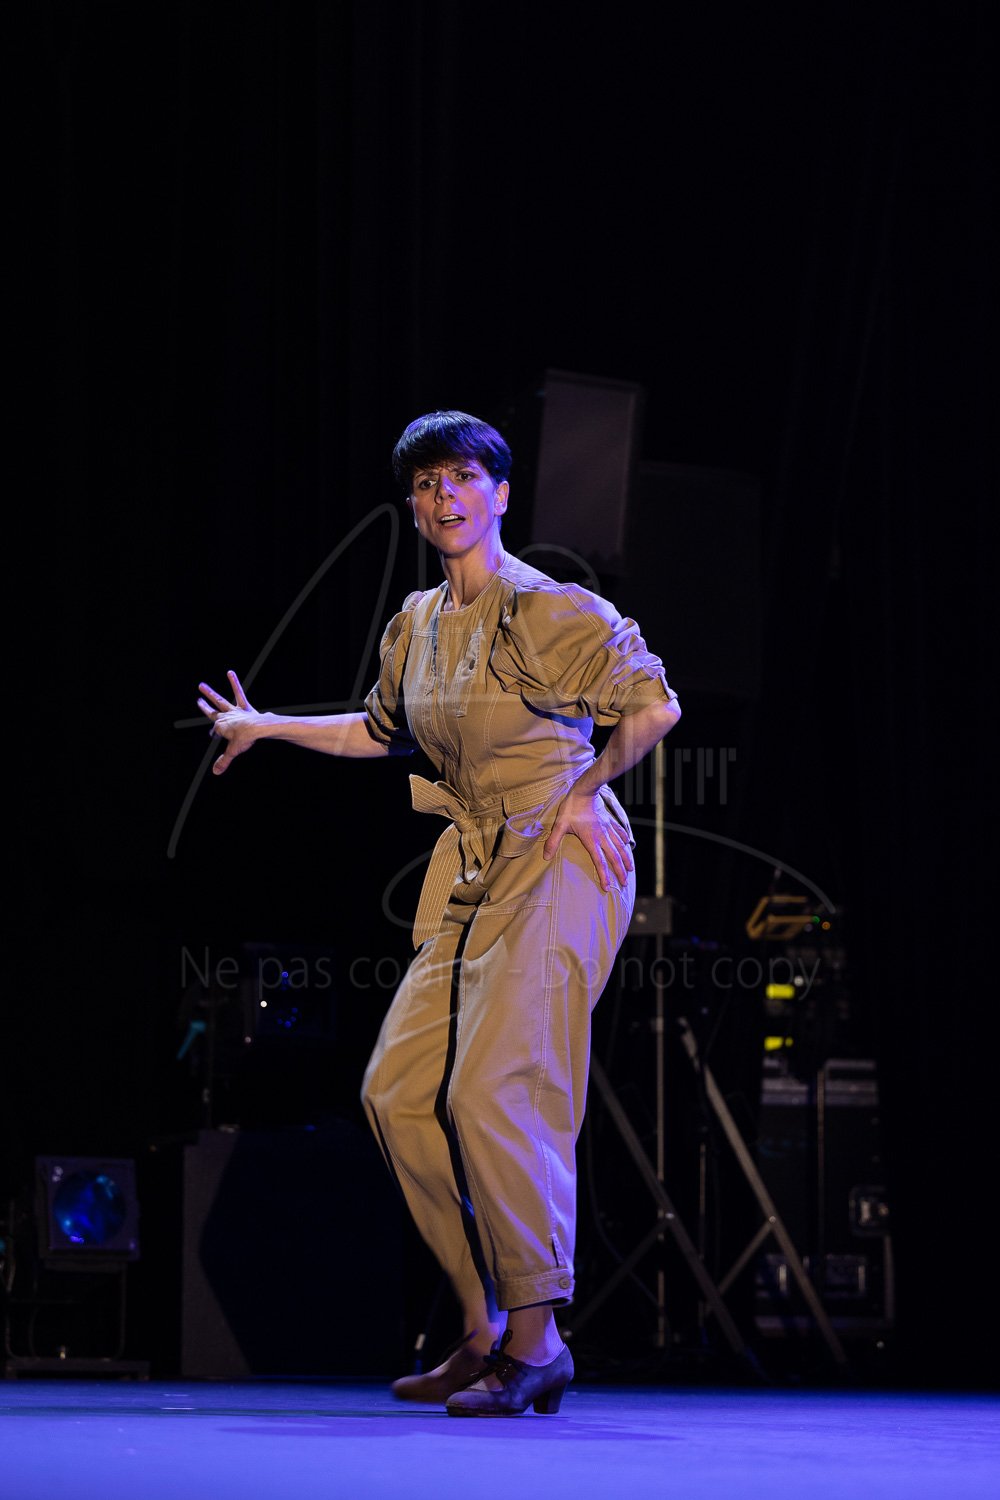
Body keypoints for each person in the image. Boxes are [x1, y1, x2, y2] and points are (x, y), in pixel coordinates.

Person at [198, 409, 681, 1416]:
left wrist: (589, 789)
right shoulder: (415, 624)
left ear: (499, 494)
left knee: (496, 1087)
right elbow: (382, 733)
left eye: (461, 477)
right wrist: (268, 726)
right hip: (471, 864)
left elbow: (653, 705)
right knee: (397, 1093)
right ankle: (480, 1326)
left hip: (561, 854)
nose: (443, 497)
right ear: (413, 509)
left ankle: (538, 1342)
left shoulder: (546, 608)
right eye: (425, 485)